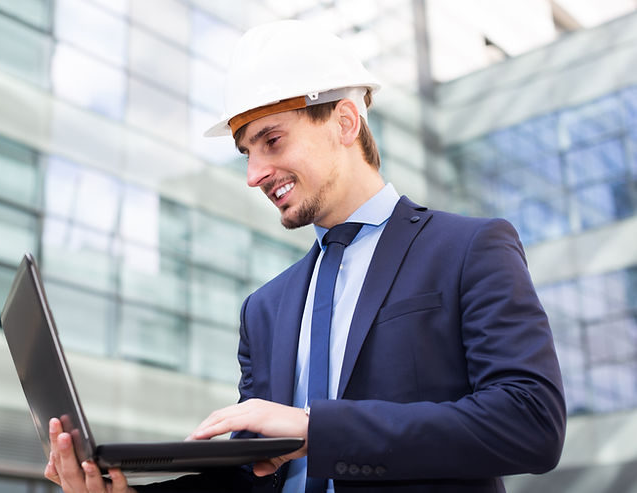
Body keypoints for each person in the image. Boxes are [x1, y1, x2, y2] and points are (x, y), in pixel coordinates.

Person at [44, 20, 566, 493]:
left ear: (344, 123)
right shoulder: (264, 309)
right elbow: (257, 476)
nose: (254, 174)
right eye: (247, 152)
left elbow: (531, 422)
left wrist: (318, 431)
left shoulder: (468, 248)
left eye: (271, 140)